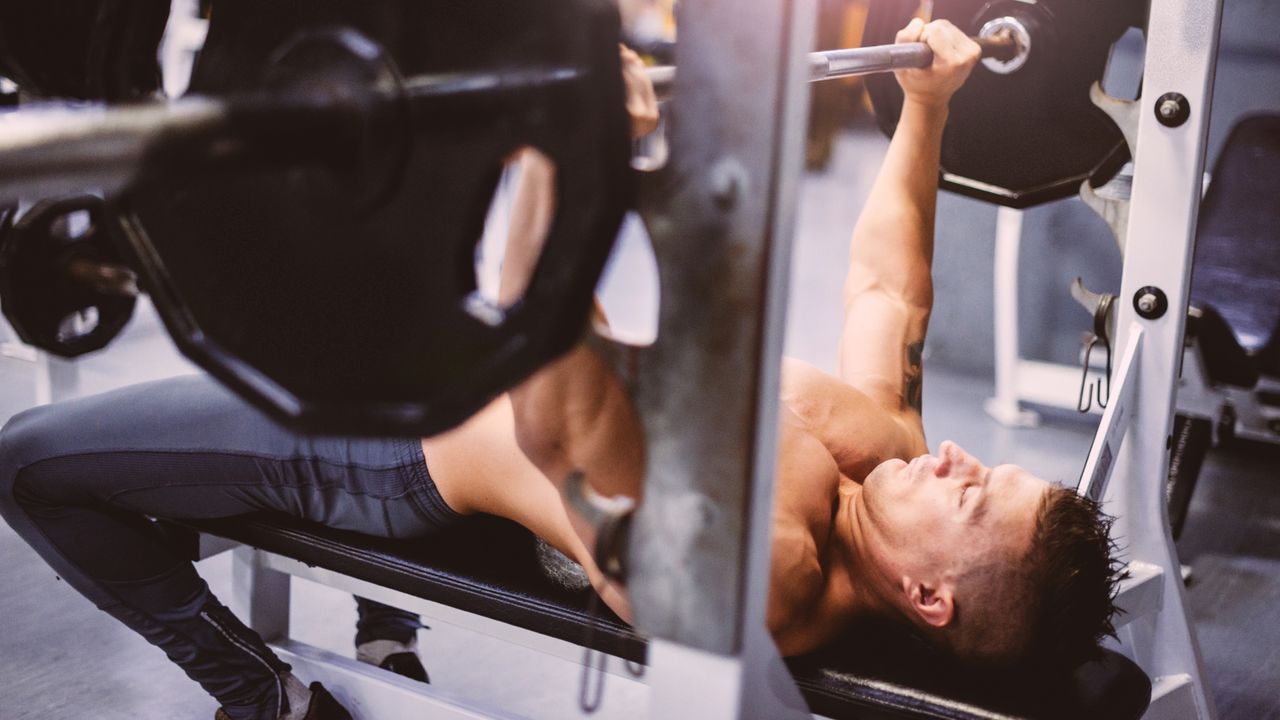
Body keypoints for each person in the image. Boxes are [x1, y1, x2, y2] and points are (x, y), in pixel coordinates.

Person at [0, 22, 1119, 720]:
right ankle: (383, 629)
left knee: (27, 465)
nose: (958, 457)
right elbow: (887, 290)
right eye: (986, 464)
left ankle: (264, 699)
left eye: (975, 492)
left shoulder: (760, 576)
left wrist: (575, 155)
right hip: (454, 337)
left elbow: (559, 403)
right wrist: (925, 109)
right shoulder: (885, 463)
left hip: (397, 439)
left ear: (928, 599)